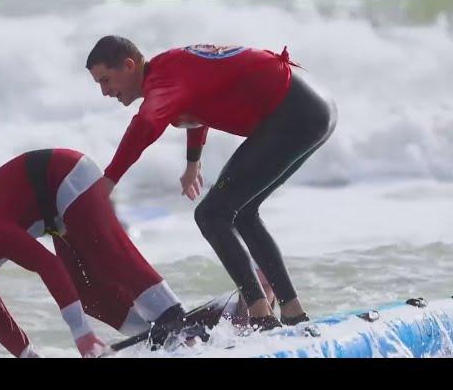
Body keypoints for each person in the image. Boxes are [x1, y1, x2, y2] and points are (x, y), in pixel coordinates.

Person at [86, 36, 337, 331]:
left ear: (128, 66)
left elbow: (143, 127)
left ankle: (261, 316)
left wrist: (108, 180)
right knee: (241, 212)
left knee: (211, 215)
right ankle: (292, 312)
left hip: (293, 112)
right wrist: (193, 161)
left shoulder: (163, 83)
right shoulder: (169, 68)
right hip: (312, 107)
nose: (104, 92)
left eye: (106, 80)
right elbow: (198, 105)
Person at [0, 148, 191, 358]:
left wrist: (82, 335)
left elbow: (47, 264)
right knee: (88, 297)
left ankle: (174, 315)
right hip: (52, 216)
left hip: (64, 176)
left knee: (107, 256)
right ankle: (155, 335)